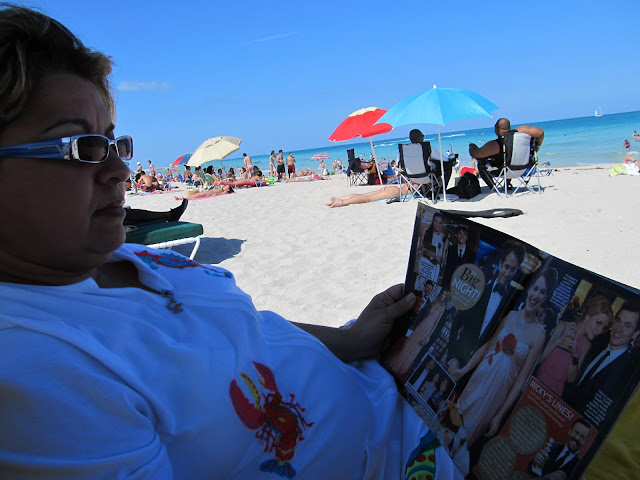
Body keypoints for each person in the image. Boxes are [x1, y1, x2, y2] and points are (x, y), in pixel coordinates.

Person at [0, 7, 458, 479]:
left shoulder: (115, 257)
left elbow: (247, 329)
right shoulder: (36, 368)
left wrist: (350, 338)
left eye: (115, 143)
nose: (118, 170)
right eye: (80, 147)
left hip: (389, 384)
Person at [451, 268, 558, 449]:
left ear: (546, 298)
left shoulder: (539, 336)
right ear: (529, 288)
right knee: (450, 424)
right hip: (477, 380)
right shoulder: (510, 316)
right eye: (535, 288)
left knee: (463, 440)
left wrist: (500, 415)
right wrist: (464, 369)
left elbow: (520, 382)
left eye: (542, 292)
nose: (535, 295)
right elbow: (487, 346)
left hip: (495, 395)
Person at [447, 240, 527, 371]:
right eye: (506, 267)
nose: (507, 273)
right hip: (458, 360)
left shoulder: (511, 303)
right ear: (500, 264)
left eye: (512, 269)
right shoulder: (480, 288)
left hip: (482, 367)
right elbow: (457, 321)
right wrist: (451, 357)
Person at [563, 303, 640, 426]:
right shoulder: (596, 342)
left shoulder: (626, 371)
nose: (618, 329)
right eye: (618, 321)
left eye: (627, 325)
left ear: (635, 334)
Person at [535, 296, 613, 397]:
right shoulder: (562, 326)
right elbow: (537, 360)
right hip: (537, 385)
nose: (599, 331)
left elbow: (571, 379)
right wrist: (558, 341)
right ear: (587, 317)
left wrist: (575, 354)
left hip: (556, 394)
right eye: (598, 323)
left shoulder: (586, 344)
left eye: (604, 327)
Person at [469, 118, 544, 187]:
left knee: (481, 162)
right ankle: (507, 185)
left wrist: (472, 146)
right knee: (508, 158)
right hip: (523, 169)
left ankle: (493, 187)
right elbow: (540, 132)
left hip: (505, 171)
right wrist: (537, 148)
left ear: (497, 128)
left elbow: (476, 154)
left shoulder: (496, 144)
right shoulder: (520, 132)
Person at [325, 181, 414, 207]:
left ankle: (339, 199)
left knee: (365, 195)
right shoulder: (422, 180)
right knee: (367, 198)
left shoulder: (417, 175)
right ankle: (341, 202)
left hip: (394, 189)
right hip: (396, 191)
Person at [418, 211, 449, 285]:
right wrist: (422, 249)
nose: (437, 225)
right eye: (435, 221)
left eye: (440, 223)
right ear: (432, 221)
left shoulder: (444, 238)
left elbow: (444, 259)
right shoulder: (426, 231)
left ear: (442, 224)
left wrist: (440, 259)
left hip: (434, 268)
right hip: (424, 263)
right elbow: (419, 247)